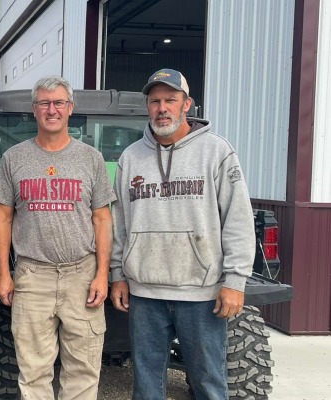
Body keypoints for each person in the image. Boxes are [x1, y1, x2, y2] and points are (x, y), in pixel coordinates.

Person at [109, 68, 255, 399]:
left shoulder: (217, 152)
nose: (162, 108)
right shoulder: (131, 157)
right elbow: (119, 222)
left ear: (187, 104)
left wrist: (235, 281)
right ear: (147, 106)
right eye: (155, 101)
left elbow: (237, 218)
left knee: (208, 381)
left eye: (171, 100)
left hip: (201, 294)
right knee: (146, 384)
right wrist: (118, 274)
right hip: (145, 293)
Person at [0, 76, 114, 399]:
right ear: (34, 110)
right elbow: (2, 217)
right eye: (44, 103)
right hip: (33, 275)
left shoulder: (91, 159)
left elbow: (102, 218)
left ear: (70, 108)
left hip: (81, 275)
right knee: (33, 371)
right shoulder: (13, 159)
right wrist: (4, 274)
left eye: (59, 102)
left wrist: (103, 274)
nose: (52, 109)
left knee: (83, 369)